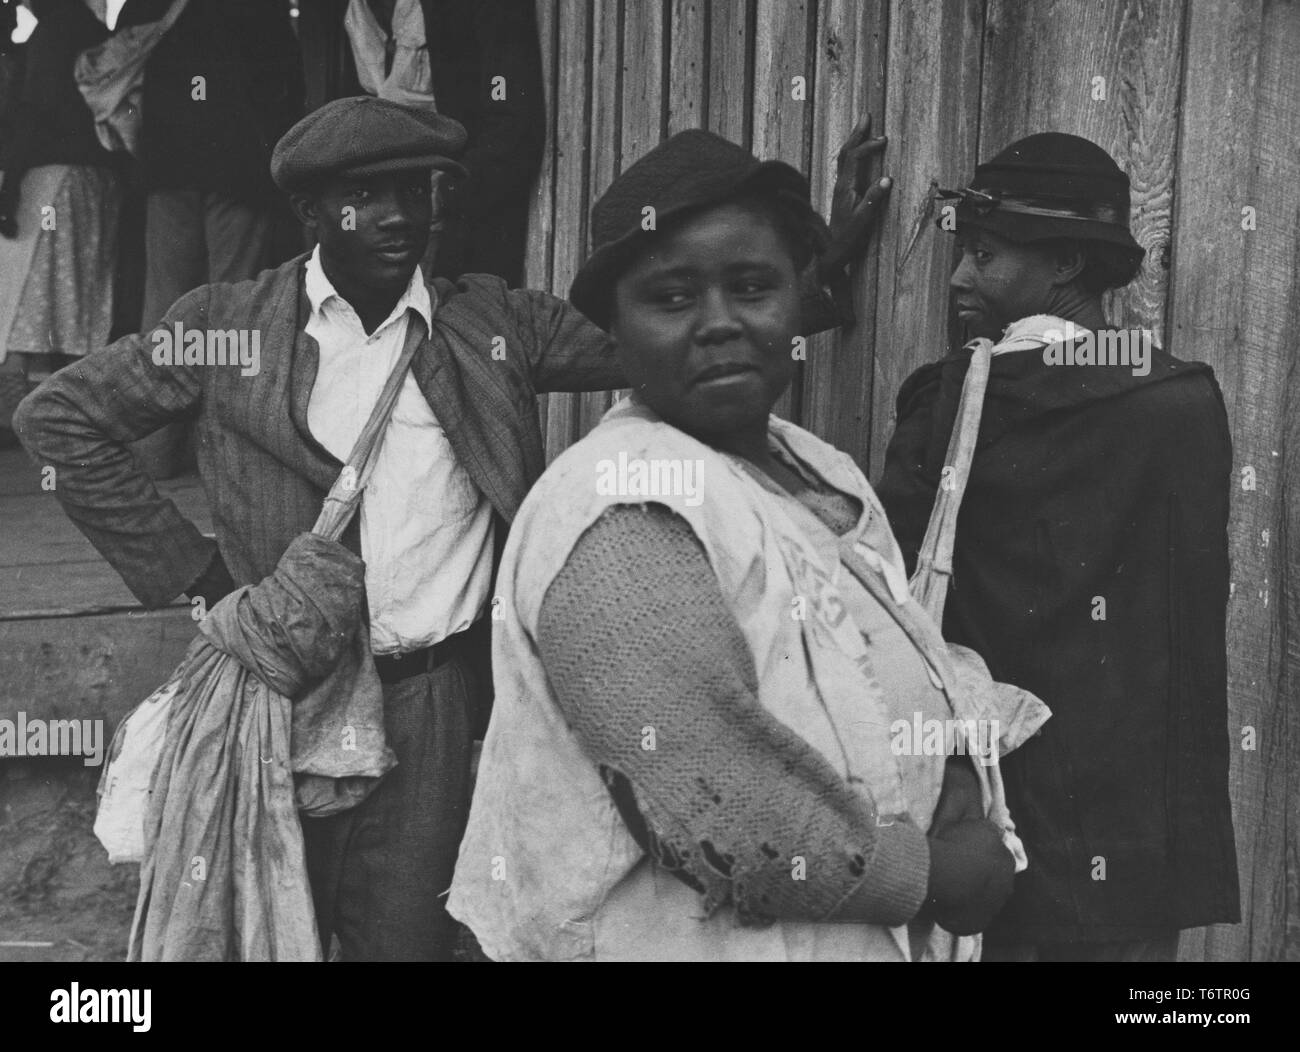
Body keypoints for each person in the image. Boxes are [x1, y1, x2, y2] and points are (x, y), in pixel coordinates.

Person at [14, 98, 887, 961]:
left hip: (428, 701)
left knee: (404, 944)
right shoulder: (224, 326)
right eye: (367, 196)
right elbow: (59, 421)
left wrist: (817, 264)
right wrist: (199, 578)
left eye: (416, 190)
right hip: (279, 694)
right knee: (254, 935)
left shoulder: (492, 324)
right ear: (310, 212)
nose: (399, 216)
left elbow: (673, 332)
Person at [447, 129, 1047, 962]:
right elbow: (715, 800)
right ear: (613, 330)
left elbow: (884, 658)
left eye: (753, 286)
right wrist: (938, 876)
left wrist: (949, 779)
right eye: (672, 297)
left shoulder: (813, 467)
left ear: (799, 301)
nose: (720, 324)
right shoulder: (623, 507)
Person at [876, 132, 1240, 962]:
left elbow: (889, 604)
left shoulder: (952, 402)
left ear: (1066, 263)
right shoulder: (1182, 400)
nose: (962, 279)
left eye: (986, 255)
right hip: (1139, 832)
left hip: (995, 815)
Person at [115, 0, 302, 476]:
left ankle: (158, 450)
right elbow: (284, 84)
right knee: (235, 308)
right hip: (237, 166)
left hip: (167, 165)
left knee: (168, 307)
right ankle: (229, 451)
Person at [296, 0, 544, 285]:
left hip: (452, 207)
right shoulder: (346, 11)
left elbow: (509, 113)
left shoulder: (480, 9)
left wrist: (448, 191)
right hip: (380, 202)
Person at [0, 0, 124, 441]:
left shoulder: (53, 32)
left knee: (28, 299)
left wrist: (10, 180)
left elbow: (37, 107)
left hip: (54, 177)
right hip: (93, 177)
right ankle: (59, 409)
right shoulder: (87, 26)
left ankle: (20, 407)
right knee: (73, 302)